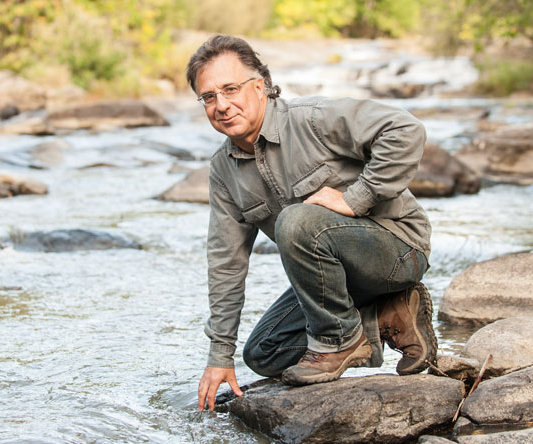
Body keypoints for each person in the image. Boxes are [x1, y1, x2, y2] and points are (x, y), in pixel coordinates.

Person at [187, 35, 437, 412]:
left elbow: (405, 131)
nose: (221, 105)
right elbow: (226, 262)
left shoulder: (314, 118)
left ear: (260, 87)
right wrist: (220, 355)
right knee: (264, 353)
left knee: (296, 220)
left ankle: (340, 340)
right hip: (339, 280)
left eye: (230, 89)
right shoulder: (224, 171)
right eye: (208, 97)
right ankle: (386, 314)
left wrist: (356, 198)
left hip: (399, 249)